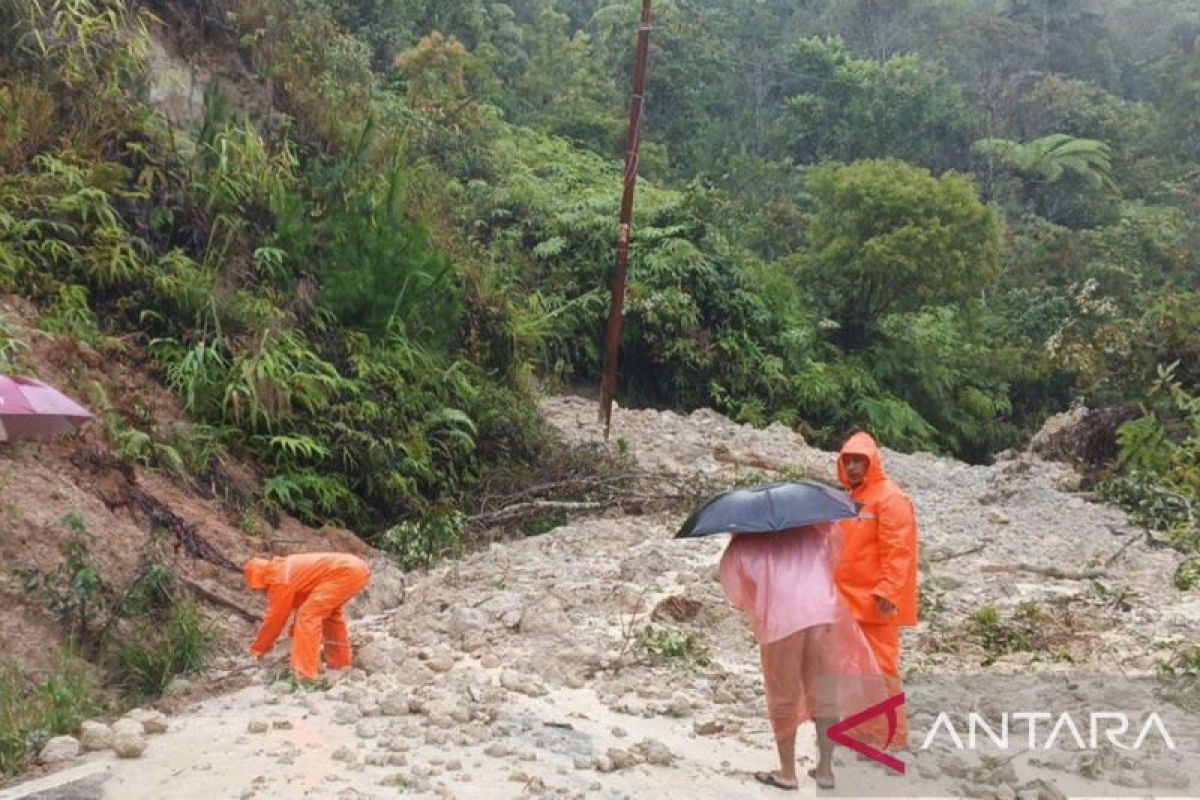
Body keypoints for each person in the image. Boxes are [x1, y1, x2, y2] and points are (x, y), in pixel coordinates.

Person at [719, 524, 882, 791]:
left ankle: (787, 772)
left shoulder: (745, 543)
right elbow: (836, 558)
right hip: (822, 614)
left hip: (781, 621)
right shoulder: (815, 533)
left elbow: (736, 590)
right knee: (824, 693)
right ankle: (826, 770)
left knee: (783, 695)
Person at [835, 431, 919, 748]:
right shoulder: (848, 499)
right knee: (853, 669)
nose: (853, 467)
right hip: (847, 601)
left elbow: (899, 550)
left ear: (872, 462)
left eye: (859, 460)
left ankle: (892, 737)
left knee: (881, 669)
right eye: (848, 460)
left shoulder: (890, 498)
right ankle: (861, 731)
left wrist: (888, 591)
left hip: (875, 602)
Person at [243, 552, 372, 681]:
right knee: (330, 615)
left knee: (308, 615)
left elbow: (276, 619)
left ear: (259, 579)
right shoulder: (285, 570)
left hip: (345, 571)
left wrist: (259, 648)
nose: (261, 592)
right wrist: (294, 634)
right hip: (354, 568)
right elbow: (302, 604)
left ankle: (305, 674)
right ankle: (340, 664)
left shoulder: (279, 579)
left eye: (258, 588)